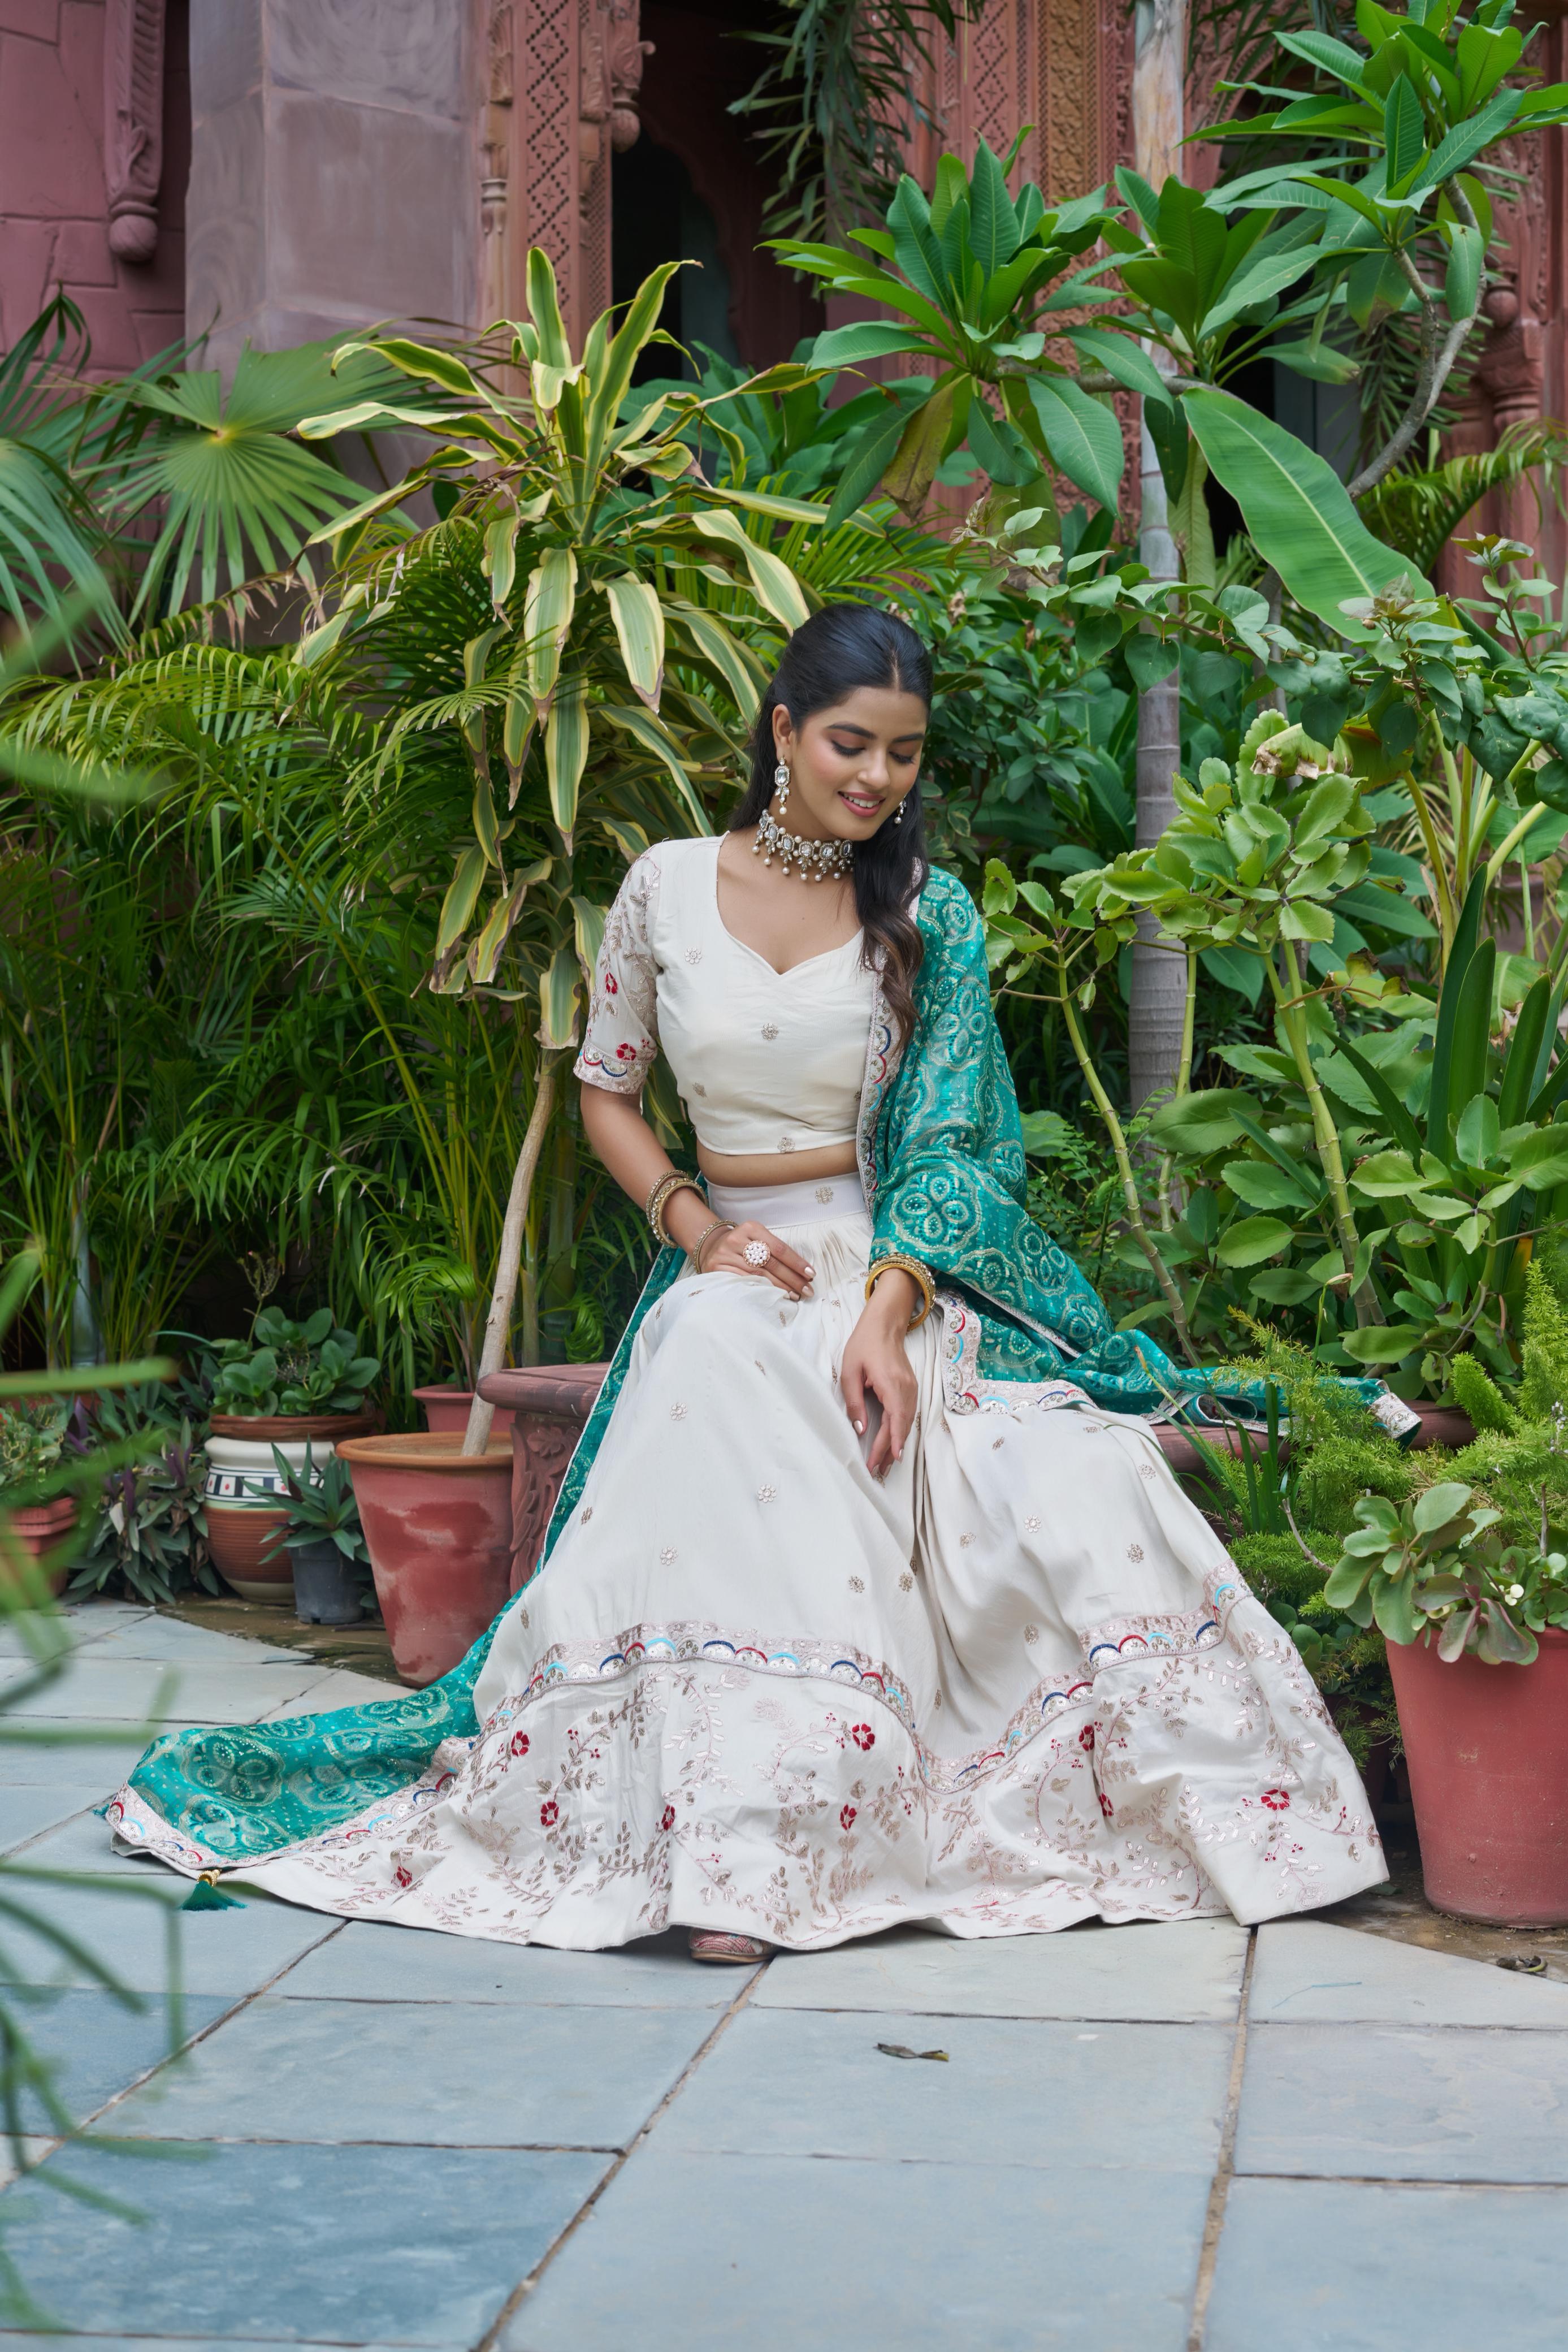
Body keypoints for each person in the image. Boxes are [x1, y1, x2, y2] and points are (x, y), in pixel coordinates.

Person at [107, 603, 1387, 1957]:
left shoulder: (925, 911)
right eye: (850, 744)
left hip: (894, 1265)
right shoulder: (662, 886)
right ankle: (743, 1853)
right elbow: (606, 1093)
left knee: (1076, 1478)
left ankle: (1112, 1810)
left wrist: (888, 1313)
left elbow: (956, 1141)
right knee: (719, 1357)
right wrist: (692, 1223)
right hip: (735, 1263)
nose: (876, 780)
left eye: (903, 755)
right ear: (783, 728)